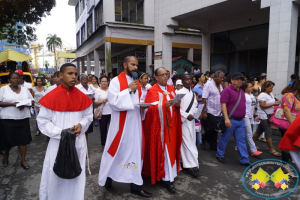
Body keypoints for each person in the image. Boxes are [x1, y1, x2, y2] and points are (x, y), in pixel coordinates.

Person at [37, 63, 93, 200]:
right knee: (55, 175)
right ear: (61, 75)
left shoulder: (83, 97)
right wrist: (61, 133)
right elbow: (43, 121)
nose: (74, 77)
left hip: (78, 142)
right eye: (70, 73)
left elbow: (88, 117)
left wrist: (81, 125)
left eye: (76, 74)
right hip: (57, 143)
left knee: (76, 176)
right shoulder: (51, 96)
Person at [98, 56, 152, 198]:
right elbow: (113, 101)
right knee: (117, 152)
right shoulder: (116, 81)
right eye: (132, 64)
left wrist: (143, 106)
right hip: (120, 125)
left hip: (135, 124)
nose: (135, 67)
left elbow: (137, 100)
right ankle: (108, 178)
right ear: (125, 65)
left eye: (137, 65)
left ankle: (135, 185)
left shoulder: (137, 83)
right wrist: (127, 90)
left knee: (135, 152)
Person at [143, 67, 182, 193]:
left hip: (172, 126)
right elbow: (148, 109)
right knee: (163, 152)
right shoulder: (152, 91)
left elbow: (176, 107)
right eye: (162, 75)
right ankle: (166, 178)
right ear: (156, 77)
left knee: (170, 151)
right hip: (160, 129)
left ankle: (170, 174)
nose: (165, 77)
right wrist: (163, 105)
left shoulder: (171, 89)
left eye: (167, 74)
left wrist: (177, 105)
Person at [0, 72, 34, 169]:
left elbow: (31, 101)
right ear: (9, 80)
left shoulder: (25, 90)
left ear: (20, 79)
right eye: (13, 78)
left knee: (23, 140)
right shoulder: (3, 89)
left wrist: (24, 104)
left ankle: (23, 160)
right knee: (8, 141)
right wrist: (13, 104)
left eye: (17, 78)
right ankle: (6, 155)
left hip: (23, 118)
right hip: (8, 119)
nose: (16, 80)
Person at [216, 72, 250, 166]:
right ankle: (220, 155)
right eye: (237, 79)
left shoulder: (241, 91)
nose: (239, 81)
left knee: (241, 140)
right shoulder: (227, 90)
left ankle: (244, 159)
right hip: (231, 119)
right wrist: (226, 119)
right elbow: (223, 105)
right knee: (224, 138)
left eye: (241, 79)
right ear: (232, 80)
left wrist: (243, 117)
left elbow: (242, 106)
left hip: (240, 121)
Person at [177, 74, 201, 177]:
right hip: (184, 121)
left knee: (190, 141)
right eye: (186, 79)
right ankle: (191, 166)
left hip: (191, 121)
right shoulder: (179, 92)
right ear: (182, 81)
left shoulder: (192, 92)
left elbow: (195, 106)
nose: (189, 81)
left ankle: (187, 163)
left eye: (190, 79)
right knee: (187, 143)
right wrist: (186, 115)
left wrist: (197, 114)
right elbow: (176, 108)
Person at [252, 81, 281, 157]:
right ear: (265, 87)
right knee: (268, 132)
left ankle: (252, 144)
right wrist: (274, 104)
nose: (272, 89)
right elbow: (262, 106)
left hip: (268, 115)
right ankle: (271, 149)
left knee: (259, 131)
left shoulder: (270, 94)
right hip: (263, 116)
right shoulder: (262, 95)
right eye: (270, 88)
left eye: (272, 88)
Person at [277, 81, 300, 167]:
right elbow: (287, 111)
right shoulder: (289, 95)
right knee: (287, 145)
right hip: (289, 123)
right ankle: (285, 165)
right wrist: (294, 126)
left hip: (291, 123)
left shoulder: (293, 96)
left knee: (289, 144)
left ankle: (289, 163)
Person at [201, 70, 224, 150]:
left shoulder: (220, 86)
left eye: (223, 78)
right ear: (216, 77)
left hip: (218, 111)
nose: (222, 79)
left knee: (216, 129)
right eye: (221, 78)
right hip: (210, 110)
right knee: (212, 126)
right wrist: (204, 111)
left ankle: (213, 144)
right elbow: (204, 98)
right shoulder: (208, 84)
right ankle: (204, 138)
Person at [241, 81, 262, 156]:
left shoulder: (252, 96)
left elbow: (253, 106)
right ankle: (253, 150)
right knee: (249, 133)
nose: (252, 88)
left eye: (251, 86)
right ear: (245, 88)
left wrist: (255, 115)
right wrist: (242, 116)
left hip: (250, 116)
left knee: (243, 132)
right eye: (250, 86)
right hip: (245, 116)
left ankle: (238, 145)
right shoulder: (243, 95)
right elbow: (241, 107)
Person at [76, 74, 96, 143]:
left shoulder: (90, 87)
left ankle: (85, 146)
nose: (85, 80)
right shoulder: (77, 88)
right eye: (83, 79)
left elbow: (95, 94)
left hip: (89, 110)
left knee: (87, 130)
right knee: (80, 130)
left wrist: (92, 99)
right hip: (81, 111)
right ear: (80, 80)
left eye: (86, 79)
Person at [94, 75, 111, 148]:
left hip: (111, 112)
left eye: (105, 81)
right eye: (102, 81)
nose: (104, 83)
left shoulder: (110, 89)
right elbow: (95, 102)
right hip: (103, 113)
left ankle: (111, 143)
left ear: (108, 82)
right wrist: (102, 101)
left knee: (112, 129)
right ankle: (104, 144)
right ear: (100, 82)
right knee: (103, 129)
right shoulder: (97, 90)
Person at [193, 73, 205, 146]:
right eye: (203, 76)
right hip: (198, 109)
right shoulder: (196, 88)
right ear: (199, 79)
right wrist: (203, 100)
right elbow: (194, 100)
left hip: (205, 108)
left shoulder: (205, 86)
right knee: (198, 126)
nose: (204, 78)